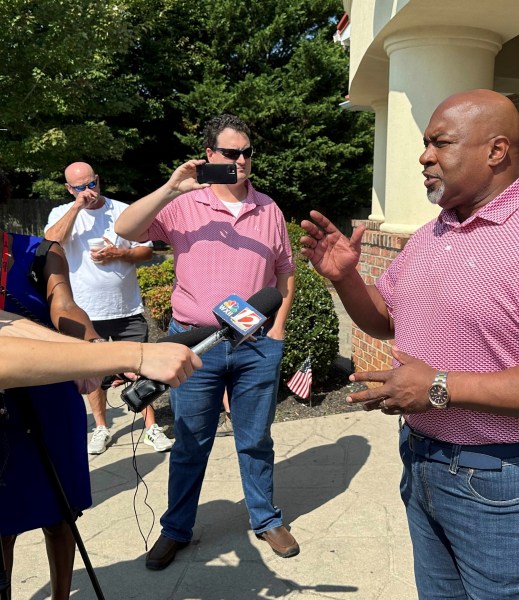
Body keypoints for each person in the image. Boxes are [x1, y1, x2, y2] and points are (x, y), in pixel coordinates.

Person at [300, 89, 519, 599]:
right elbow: (387, 318)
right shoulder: (430, 235)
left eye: (439, 143)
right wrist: (347, 280)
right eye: (424, 143)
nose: (424, 156)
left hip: (517, 477)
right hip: (424, 461)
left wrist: (437, 388)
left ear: (496, 151)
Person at [114, 113, 297, 569]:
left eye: (247, 153)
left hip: (256, 345)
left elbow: (285, 272)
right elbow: (126, 230)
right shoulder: (183, 205)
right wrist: (172, 187)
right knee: (192, 441)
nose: (241, 161)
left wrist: (277, 331)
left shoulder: (269, 209)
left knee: (255, 439)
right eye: (231, 153)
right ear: (209, 155)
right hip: (194, 346)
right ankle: (176, 528)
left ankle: (266, 518)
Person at [0, 229, 202, 600]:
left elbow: (56, 308)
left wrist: (92, 347)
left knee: (60, 513)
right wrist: (125, 355)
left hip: (52, 394)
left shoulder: (39, 250)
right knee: (3, 524)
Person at [45, 162, 173, 455]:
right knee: (93, 375)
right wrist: (77, 207)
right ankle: (101, 427)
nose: (88, 191)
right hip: (86, 313)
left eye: (91, 184)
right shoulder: (62, 213)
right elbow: (51, 239)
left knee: (140, 369)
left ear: (99, 180)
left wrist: (121, 252)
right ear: (69, 189)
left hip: (126, 308)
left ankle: (150, 427)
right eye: (79, 187)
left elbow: (147, 250)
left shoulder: (121, 210)